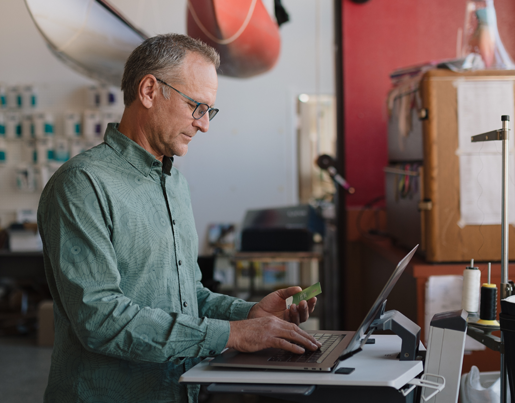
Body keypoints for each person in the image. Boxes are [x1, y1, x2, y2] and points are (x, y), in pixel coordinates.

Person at [37, 33, 319, 403]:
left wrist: (248, 313)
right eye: (196, 107)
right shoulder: (82, 184)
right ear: (150, 91)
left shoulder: (174, 183)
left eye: (208, 111)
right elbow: (100, 319)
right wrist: (231, 334)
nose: (203, 125)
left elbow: (187, 296)